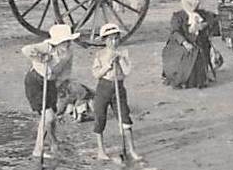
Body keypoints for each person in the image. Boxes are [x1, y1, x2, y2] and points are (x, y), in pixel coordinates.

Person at [21, 24, 79, 159]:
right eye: (64, 41)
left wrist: (61, 85)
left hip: (51, 83)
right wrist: (41, 58)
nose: (67, 44)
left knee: (52, 117)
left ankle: (54, 142)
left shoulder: (69, 53)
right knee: (48, 116)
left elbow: (66, 71)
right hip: (35, 82)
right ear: (57, 42)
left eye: (68, 41)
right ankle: (38, 149)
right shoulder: (47, 47)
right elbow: (26, 50)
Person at [91, 24, 142, 161]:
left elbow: (127, 72)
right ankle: (101, 151)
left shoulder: (123, 53)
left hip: (119, 87)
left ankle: (131, 150)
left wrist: (120, 61)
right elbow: (96, 74)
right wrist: (108, 65)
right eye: (110, 39)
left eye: (116, 39)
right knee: (100, 117)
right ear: (104, 41)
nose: (113, 42)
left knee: (125, 118)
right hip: (103, 87)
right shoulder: (99, 54)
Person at [161, 0, 218, 89]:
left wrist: (204, 25)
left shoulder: (202, 14)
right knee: (185, 55)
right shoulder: (178, 16)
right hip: (179, 44)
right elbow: (175, 32)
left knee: (198, 52)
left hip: (197, 43)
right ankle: (182, 78)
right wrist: (184, 42)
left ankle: (196, 79)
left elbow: (215, 19)